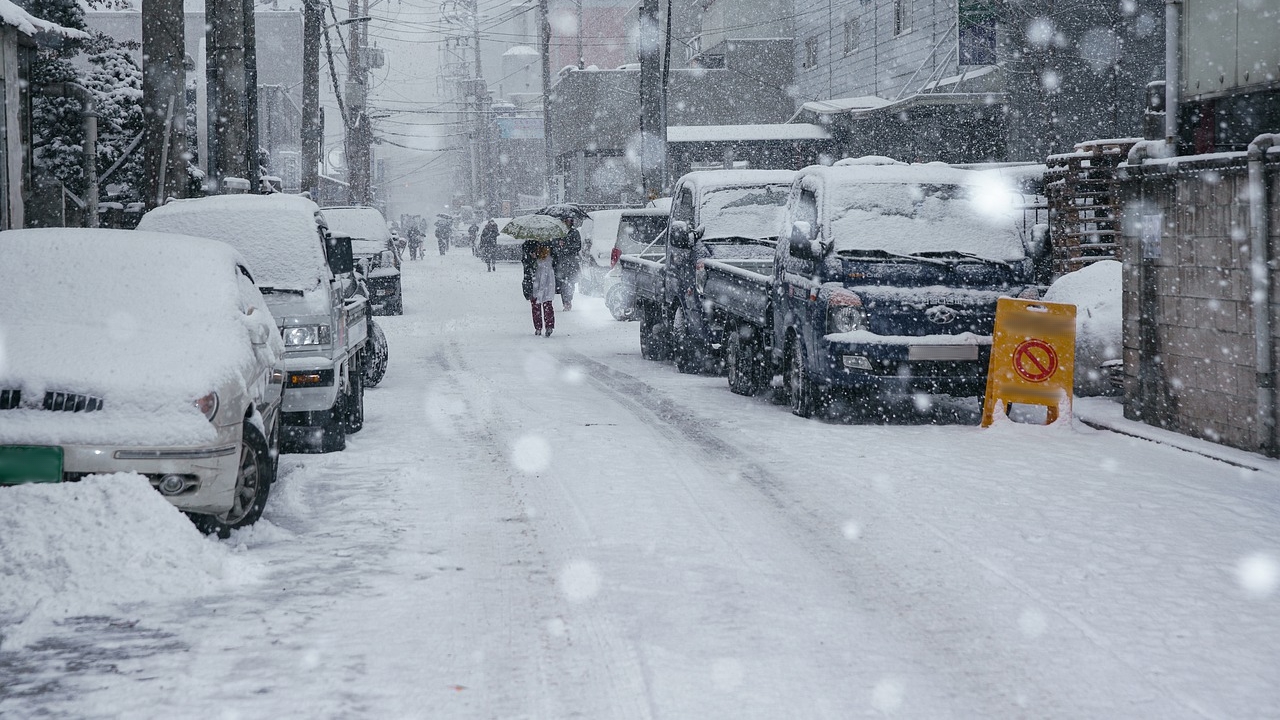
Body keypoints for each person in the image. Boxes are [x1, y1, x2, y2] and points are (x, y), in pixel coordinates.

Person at [522, 238, 556, 337]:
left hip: (547, 276)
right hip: (534, 277)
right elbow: (525, 262)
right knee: (536, 303)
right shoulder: (528, 245)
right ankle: (538, 327)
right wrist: (531, 257)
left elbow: (556, 258)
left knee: (547, 302)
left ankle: (548, 326)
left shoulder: (550, 244)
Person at [553, 218, 583, 311]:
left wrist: (565, 246)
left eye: (568, 220)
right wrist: (558, 245)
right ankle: (565, 301)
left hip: (572, 262)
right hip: (561, 262)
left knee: (570, 283)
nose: (566, 222)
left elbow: (577, 246)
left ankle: (568, 300)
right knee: (563, 283)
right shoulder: (558, 233)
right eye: (565, 221)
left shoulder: (575, 232)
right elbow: (554, 246)